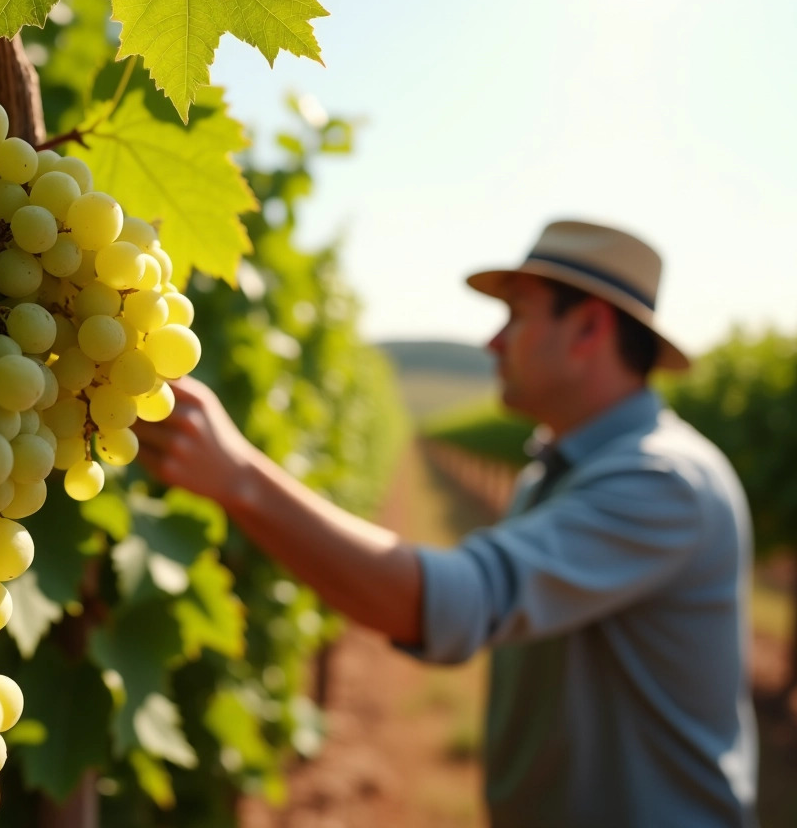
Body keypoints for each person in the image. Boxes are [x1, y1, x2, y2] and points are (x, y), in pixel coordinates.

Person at [135, 219, 759, 827]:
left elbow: (454, 601)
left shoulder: (666, 484)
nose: (493, 342)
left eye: (516, 314)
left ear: (590, 328)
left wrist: (242, 477)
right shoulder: (556, 469)